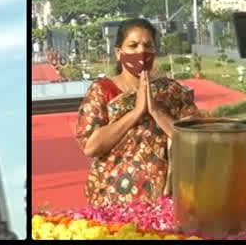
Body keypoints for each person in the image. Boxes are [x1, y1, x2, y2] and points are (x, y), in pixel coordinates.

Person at [75, 18, 200, 206]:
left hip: (167, 200)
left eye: (148, 45)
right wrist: (136, 113)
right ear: (119, 52)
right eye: (133, 46)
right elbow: (91, 147)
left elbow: (195, 138)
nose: (141, 51)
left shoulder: (172, 91)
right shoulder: (103, 90)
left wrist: (156, 112)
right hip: (113, 199)